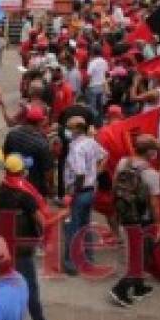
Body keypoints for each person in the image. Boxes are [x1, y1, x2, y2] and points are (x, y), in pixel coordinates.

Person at [0, 154, 63, 320]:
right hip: (21, 248)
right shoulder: (25, 195)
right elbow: (44, 223)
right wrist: (63, 215)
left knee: (7, 285)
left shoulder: (2, 188)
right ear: (22, 171)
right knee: (30, 287)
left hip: (5, 243)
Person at [108, 136, 160, 307]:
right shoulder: (151, 174)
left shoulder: (123, 162)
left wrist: (116, 211)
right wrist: (159, 224)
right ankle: (120, 290)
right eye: (154, 149)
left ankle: (139, 287)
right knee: (139, 256)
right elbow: (155, 203)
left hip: (125, 213)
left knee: (139, 252)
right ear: (150, 152)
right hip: (141, 218)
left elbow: (115, 186)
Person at [62, 116, 105, 276]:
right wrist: (94, 175)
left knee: (72, 228)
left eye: (68, 127)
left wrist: (73, 193)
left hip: (79, 193)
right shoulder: (91, 142)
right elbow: (104, 155)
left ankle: (71, 263)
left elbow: (79, 173)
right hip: (90, 191)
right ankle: (88, 258)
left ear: (76, 129)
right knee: (85, 226)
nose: (66, 130)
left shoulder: (77, 148)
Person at [2, 104, 55, 198]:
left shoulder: (12, 134)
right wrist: (50, 187)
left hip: (14, 181)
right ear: (40, 122)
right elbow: (48, 171)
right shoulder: (42, 143)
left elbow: (6, 157)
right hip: (34, 187)